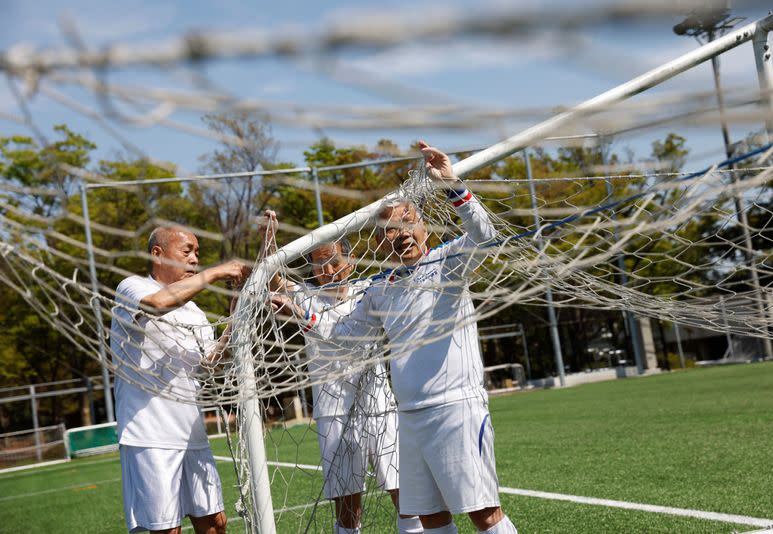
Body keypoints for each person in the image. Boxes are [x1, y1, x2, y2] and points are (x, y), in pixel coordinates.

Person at [273, 141, 517, 534]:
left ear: (423, 225)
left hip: (456, 408)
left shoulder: (450, 260)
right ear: (381, 241)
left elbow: (486, 234)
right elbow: (341, 336)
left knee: (483, 513)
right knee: (432, 517)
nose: (400, 234)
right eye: (390, 230)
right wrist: (301, 314)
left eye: (407, 223)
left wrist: (453, 184)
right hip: (409, 415)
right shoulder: (379, 288)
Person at [262, 211, 423, 534]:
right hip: (333, 411)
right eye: (319, 264)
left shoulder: (370, 290)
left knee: (407, 496)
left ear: (350, 259)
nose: (328, 270)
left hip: (378, 406)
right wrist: (269, 241)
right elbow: (273, 278)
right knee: (348, 508)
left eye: (334, 261)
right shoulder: (306, 296)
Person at [110, 226, 251, 534]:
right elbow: (158, 305)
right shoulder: (132, 287)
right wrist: (216, 273)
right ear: (157, 254)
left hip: (191, 433)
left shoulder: (195, 313)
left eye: (198, 254)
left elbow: (211, 365)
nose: (194, 259)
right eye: (187, 251)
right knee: (166, 530)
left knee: (215, 524)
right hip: (150, 435)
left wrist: (235, 320)